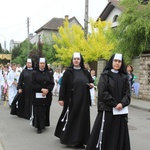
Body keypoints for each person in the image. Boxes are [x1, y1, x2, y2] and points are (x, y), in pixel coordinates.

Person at [86, 53, 131, 150]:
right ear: (111, 61)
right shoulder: (105, 75)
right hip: (108, 110)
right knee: (106, 133)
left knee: (118, 133)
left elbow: (128, 94)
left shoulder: (124, 77)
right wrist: (114, 104)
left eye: (119, 61)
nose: (117, 63)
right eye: (115, 61)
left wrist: (122, 104)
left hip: (120, 111)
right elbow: (103, 92)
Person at [54, 52, 94, 149]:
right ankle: (66, 136)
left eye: (78, 59)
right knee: (70, 118)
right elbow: (63, 86)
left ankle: (79, 140)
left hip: (83, 101)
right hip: (72, 99)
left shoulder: (85, 72)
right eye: (74, 59)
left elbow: (90, 82)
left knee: (81, 120)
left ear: (81, 60)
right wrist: (61, 98)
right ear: (72, 60)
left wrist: (91, 85)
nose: (76, 60)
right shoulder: (68, 72)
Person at [32, 58, 54, 134]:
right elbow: (33, 84)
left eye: (43, 63)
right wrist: (41, 89)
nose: (42, 65)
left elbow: (52, 83)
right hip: (38, 94)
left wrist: (47, 90)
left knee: (45, 110)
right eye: (41, 63)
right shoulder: (34, 73)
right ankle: (38, 126)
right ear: (38, 64)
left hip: (47, 95)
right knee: (38, 110)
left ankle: (44, 123)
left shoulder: (49, 73)